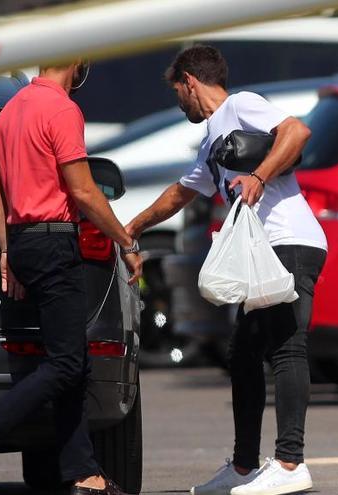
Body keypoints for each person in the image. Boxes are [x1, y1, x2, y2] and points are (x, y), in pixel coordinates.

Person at [125, 45, 326, 495]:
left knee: (286, 348)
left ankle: (291, 464)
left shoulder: (240, 104)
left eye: (178, 91)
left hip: (290, 242)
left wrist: (258, 177)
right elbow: (181, 193)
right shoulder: (212, 137)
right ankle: (243, 467)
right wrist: (131, 227)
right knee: (242, 353)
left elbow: (297, 130)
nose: (179, 102)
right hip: (267, 252)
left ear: (190, 83)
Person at [0, 60, 143, 495]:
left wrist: (6, 248)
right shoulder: (62, 109)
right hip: (55, 244)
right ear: (75, 62)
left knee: (73, 362)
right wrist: (125, 242)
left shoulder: (13, 107)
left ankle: (84, 473)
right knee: (68, 363)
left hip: (25, 243)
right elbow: (84, 190)